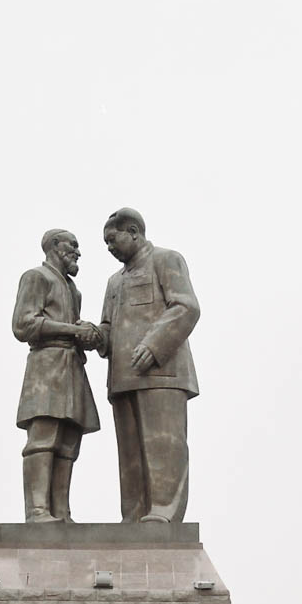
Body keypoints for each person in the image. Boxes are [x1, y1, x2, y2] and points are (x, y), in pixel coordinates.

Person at [98, 208, 200, 523]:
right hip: (122, 378)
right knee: (130, 457)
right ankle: (133, 516)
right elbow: (107, 328)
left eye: (113, 240)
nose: (110, 248)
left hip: (161, 373)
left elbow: (186, 307)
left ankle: (164, 513)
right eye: (106, 244)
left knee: (164, 446)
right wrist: (91, 336)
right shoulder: (114, 282)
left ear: (133, 231)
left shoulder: (166, 260)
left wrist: (153, 345)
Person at [11, 229, 102, 522]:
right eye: (72, 245)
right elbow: (23, 324)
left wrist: (87, 334)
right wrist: (73, 330)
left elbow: (72, 326)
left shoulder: (73, 290)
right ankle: (37, 510)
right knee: (43, 439)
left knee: (68, 442)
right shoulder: (36, 277)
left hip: (72, 365)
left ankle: (61, 513)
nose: (77, 251)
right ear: (53, 246)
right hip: (46, 365)